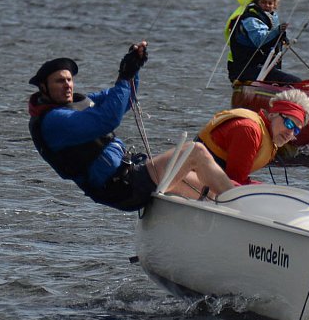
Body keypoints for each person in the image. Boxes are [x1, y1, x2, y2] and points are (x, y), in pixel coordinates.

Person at [28, 42, 239, 211]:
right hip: (123, 187)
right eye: (59, 81)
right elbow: (109, 118)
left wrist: (132, 68)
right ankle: (241, 205)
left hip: (130, 177)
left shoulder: (77, 104)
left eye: (69, 80)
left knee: (209, 190)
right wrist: (125, 77)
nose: (67, 85)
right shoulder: (55, 121)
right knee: (195, 151)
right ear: (44, 88)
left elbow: (122, 99)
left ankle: (235, 215)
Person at [197, 89, 309, 186]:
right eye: (288, 124)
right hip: (194, 179)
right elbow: (234, 181)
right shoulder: (250, 130)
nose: (290, 133)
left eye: (296, 130)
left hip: (214, 180)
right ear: (273, 115)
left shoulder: (268, 133)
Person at [224, 0, 299, 84]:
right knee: (295, 82)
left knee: (288, 81)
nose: (267, 5)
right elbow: (260, 40)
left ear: (274, 5)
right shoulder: (251, 20)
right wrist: (277, 31)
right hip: (245, 70)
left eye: (270, 3)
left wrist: (281, 37)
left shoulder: (270, 18)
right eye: (263, 2)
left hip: (261, 68)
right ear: (256, 3)